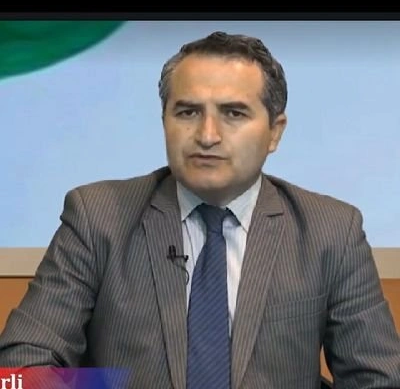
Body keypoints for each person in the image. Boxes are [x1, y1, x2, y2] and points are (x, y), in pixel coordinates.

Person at [0, 31, 399, 389]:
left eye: (233, 113)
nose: (207, 136)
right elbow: (20, 369)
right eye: (188, 112)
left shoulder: (331, 231)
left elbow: (379, 378)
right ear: (164, 122)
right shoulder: (97, 217)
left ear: (274, 132)